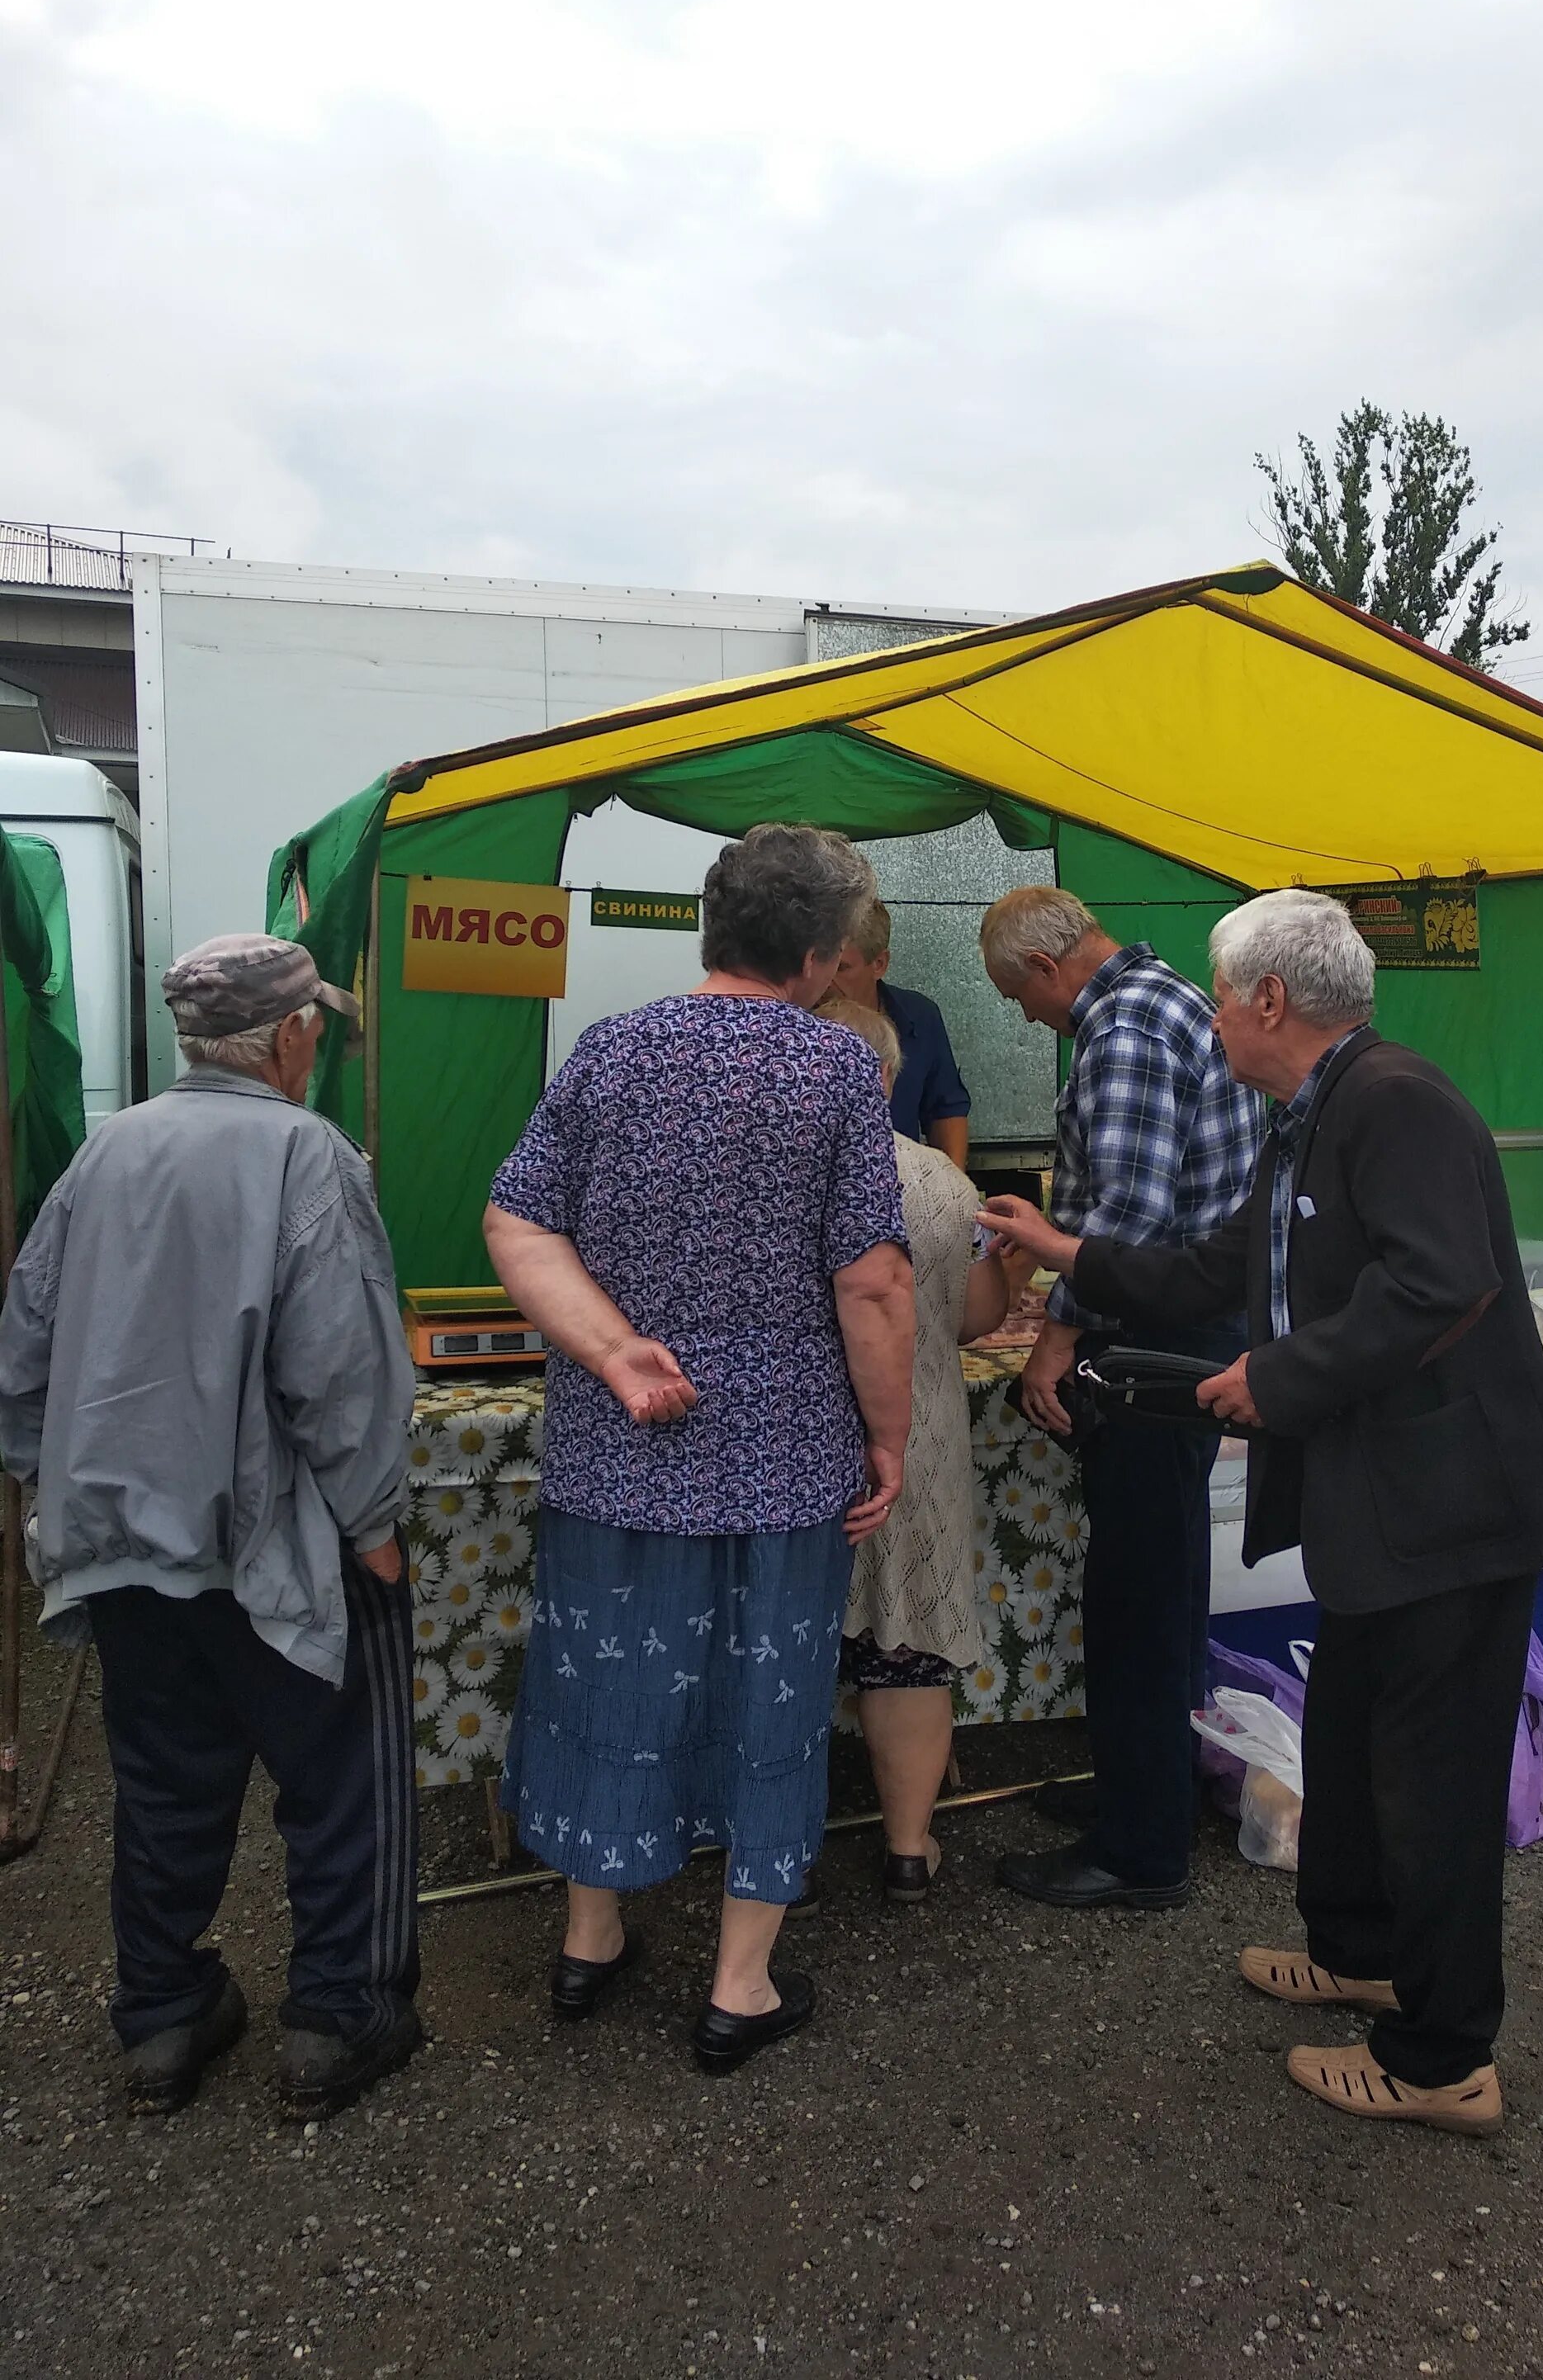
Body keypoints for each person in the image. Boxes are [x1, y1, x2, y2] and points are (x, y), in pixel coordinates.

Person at [981, 888, 1543, 2137]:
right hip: (1384, 1502)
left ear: (1269, 999)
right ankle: (1358, 1951)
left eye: (1219, 994)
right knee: (1358, 1744)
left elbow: (1446, 1284)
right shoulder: (1306, 1115)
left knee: (1429, 1780)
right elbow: (1217, 1267)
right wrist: (1064, 1252)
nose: (1209, 1017)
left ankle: (1440, 2063)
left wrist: (1276, 1378)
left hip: (1455, 1506)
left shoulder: (1394, 1104)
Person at [484, 823, 914, 2075]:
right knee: (767, 1703)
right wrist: (886, 1437)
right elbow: (875, 1286)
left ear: (709, 928)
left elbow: (518, 1222)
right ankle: (738, 1988)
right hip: (781, 1466)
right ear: (826, 955)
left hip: (617, 1460)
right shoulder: (833, 1071)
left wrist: (615, 1351)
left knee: (603, 1687)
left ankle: (589, 1938)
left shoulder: (609, 1052)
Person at [0, 934, 420, 2121]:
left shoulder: (105, 1149)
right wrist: (375, 1524)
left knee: (165, 1786)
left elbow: (22, 1352)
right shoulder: (307, 1154)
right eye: (318, 1029)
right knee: (341, 1784)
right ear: (290, 1037)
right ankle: (339, 2022)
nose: (323, 1045)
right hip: (266, 1546)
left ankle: (165, 2020)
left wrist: (61, 1484)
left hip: (121, 1545)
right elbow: (336, 1373)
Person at [977, 888, 1264, 1910]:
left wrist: (1051, 1343)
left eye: (1018, 996)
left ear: (1050, 969)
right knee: (1169, 1576)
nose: (1025, 1016)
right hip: (1193, 1323)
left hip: (1157, 1338)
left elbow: (1129, 1226)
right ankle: (1151, 1786)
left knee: (1138, 1595)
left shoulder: (1127, 1026)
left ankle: (1140, 1853)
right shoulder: (1166, 998)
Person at [816, 997, 1019, 1897]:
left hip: (799, 1444)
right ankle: (907, 1851)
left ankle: (776, 1856)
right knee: (906, 1649)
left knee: (787, 1648)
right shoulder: (942, 1180)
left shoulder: (777, 1172)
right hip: (920, 1438)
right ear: (890, 1079)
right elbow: (979, 1320)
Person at [831, 897, 972, 1166]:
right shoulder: (798, 1019)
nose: (826, 980)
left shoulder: (919, 1017)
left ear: (879, 964)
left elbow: (946, 1109)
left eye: (841, 968)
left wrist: (954, 1185)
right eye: (819, 963)